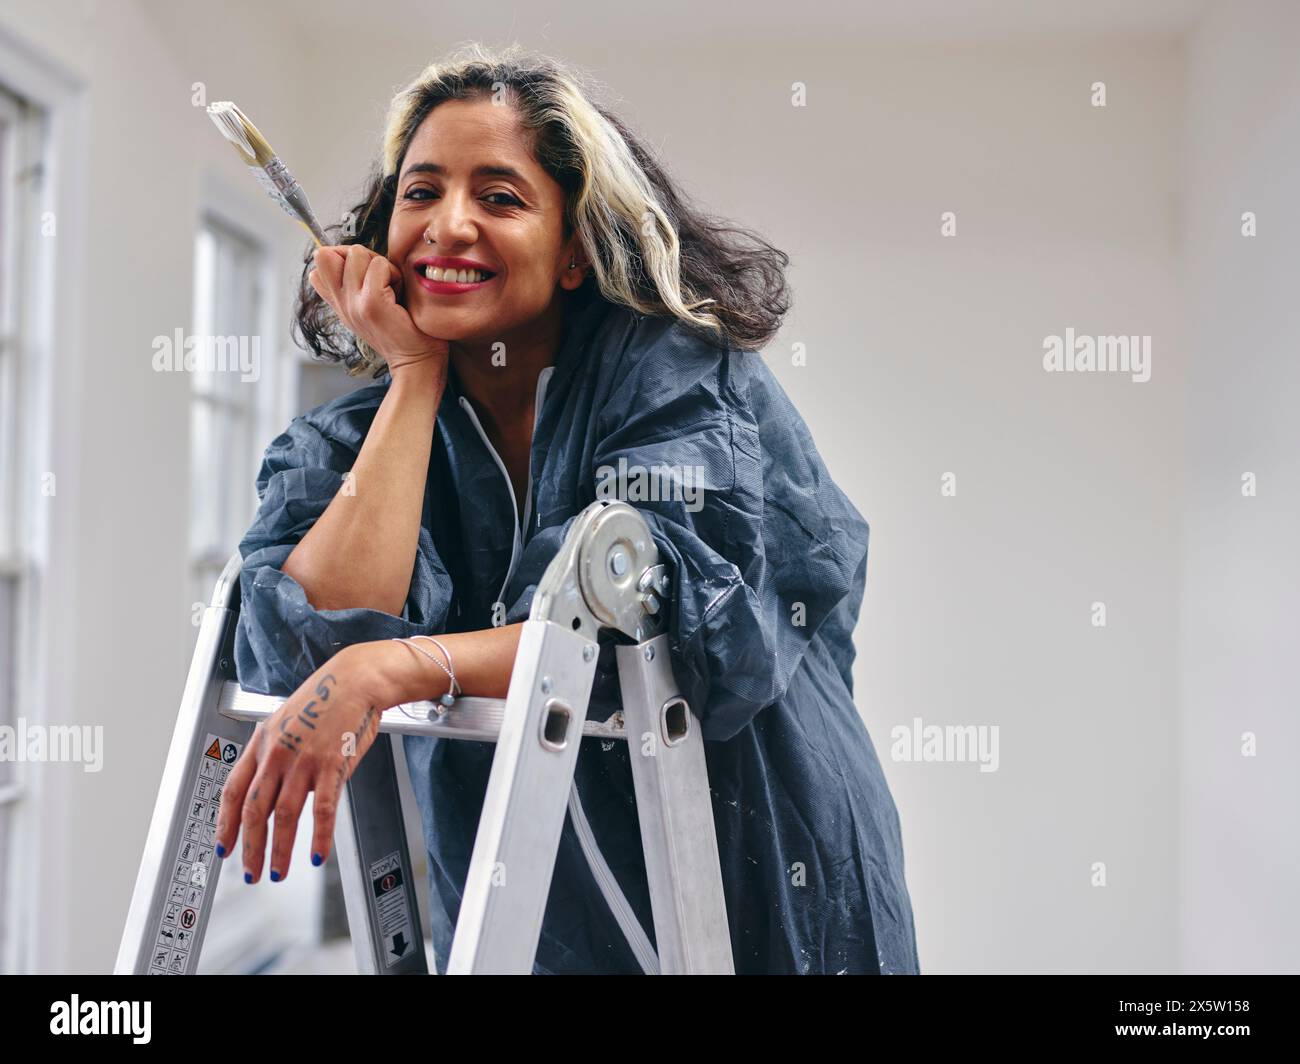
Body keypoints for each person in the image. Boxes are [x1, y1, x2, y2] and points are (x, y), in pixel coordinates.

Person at [213, 42, 920, 975]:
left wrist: (401, 667)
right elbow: (314, 651)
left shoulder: (679, 379)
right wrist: (414, 379)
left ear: (576, 250)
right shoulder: (357, 438)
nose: (447, 225)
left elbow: (675, 636)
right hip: (524, 908)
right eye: (419, 194)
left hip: (759, 882)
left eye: (499, 198)